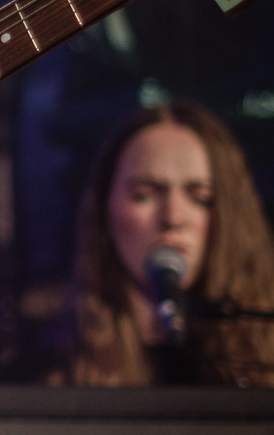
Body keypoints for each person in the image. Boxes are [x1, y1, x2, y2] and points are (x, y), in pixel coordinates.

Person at [64, 97, 274, 386]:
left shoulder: (261, 369)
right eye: (145, 194)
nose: (173, 217)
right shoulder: (49, 381)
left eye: (200, 197)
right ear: (104, 209)